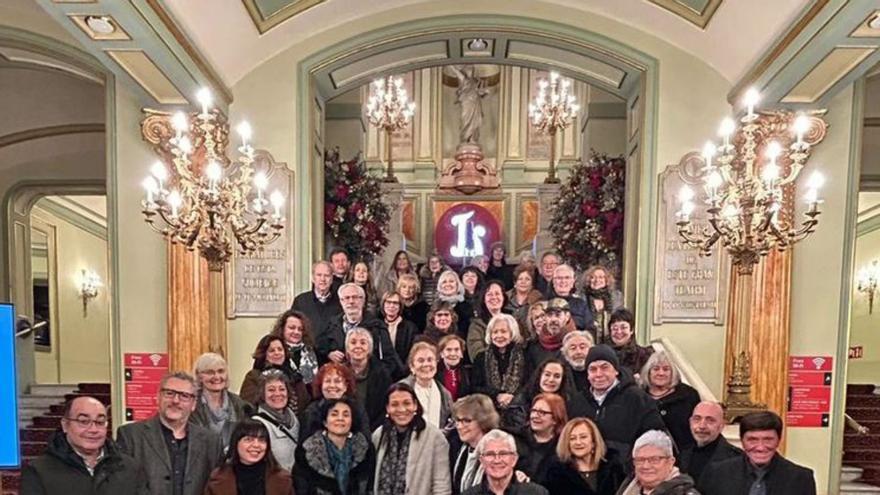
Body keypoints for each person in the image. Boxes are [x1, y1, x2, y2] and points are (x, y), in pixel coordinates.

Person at [117, 372, 222, 495]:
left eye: (184, 396)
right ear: (158, 397)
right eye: (169, 393)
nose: (176, 400)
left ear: (193, 404)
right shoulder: (130, 436)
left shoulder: (211, 441)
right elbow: (122, 486)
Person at [22, 396, 147, 494]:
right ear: (65, 425)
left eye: (100, 422)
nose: (93, 429)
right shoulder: (38, 471)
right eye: (83, 421)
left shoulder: (130, 467)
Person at [567, 345, 665, 467]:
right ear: (587, 374)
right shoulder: (577, 402)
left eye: (604, 368)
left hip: (626, 472)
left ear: (616, 370)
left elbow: (655, 437)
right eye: (593, 369)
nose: (598, 374)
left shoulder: (638, 399)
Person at [698, 411, 816, 495]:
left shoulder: (801, 478)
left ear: (779, 440)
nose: (760, 447)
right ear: (742, 440)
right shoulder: (717, 473)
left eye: (768, 439)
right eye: (752, 440)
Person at [372, 382, 452, 495]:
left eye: (407, 403)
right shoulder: (379, 435)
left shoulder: (434, 437)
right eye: (394, 404)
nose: (402, 409)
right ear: (387, 408)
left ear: (415, 405)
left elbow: (442, 486)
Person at [294, 397, 375, 495]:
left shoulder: (366, 451)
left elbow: (369, 487)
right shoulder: (306, 452)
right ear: (325, 422)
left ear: (352, 421)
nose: (340, 418)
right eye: (334, 414)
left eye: (346, 415)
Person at [319, 283, 401, 377]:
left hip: (370, 381)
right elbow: (320, 348)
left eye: (355, 297)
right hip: (339, 380)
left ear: (362, 300)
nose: (351, 302)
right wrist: (329, 354)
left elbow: (389, 360)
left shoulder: (377, 326)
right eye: (346, 298)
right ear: (341, 301)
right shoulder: (332, 325)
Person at [203, 419, 293, 495]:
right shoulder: (218, 478)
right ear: (236, 443)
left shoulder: (282, 479)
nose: (256, 445)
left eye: (262, 440)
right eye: (248, 440)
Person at [544, 417, 627, 495]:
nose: (578, 442)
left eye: (583, 437)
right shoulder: (556, 474)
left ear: (593, 441)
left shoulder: (613, 470)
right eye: (572, 438)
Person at [639, 351, 700, 452]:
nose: (661, 373)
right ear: (648, 372)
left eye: (666, 369)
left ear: (673, 373)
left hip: (683, 456)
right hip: (645, 455)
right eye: (656, 369)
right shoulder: (638, 396)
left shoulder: (688, 395)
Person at [190, 352, 250, 451]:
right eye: (209, 372)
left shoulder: (240, 404)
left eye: (221, 371)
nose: (217, 377)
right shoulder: (191, 404)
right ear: (199, 376)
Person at [462, 429, 548, 495]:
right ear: (482, 461)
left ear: (514, 459)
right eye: (490, 454)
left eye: (503, 454)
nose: (497, 460)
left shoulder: (536, 493)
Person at [300, 363, 372, 440]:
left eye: (337, 381)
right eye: (327, 381)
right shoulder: (311, 411)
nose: (332, 385)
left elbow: (366, 440)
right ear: (321, 386)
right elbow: (304, 445)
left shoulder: (357, 409)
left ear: (346, 386)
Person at [471, 313, 528, 411]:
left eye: (503, 331)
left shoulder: (525, 355)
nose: (499, 335)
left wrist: (512, 397)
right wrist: (497, 395)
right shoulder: (481, 357)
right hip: (488, 409)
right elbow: (475, 387)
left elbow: (528, 384)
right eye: (495, 332)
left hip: (518, 407)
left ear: (512, 333)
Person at [239, 334, 310, 412]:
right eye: (271, 350)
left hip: (295, 422)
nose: (277, 353)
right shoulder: (254, 377)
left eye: (280, 349)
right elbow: (247, 407)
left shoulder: (296, 378)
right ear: (264, 354)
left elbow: (305, 405)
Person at [678, 402, 741, 486]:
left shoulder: (736, 459)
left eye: (710, 420)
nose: (702, 426)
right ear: (690, 422)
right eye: (697, 419)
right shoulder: (682, 454)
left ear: (721, 425)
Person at [617, 430, 699, 495]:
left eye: (654, 460)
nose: (646, 466)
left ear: (671, 462)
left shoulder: (684, 493)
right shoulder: (626, 488)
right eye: (640, 460)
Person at [450, 394, 501, 494]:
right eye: (458, 420)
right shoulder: (458, 448)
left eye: (466, 421)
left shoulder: (497, 451)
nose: (459, 426)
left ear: (483, 421)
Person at [506, 358, 575, 432]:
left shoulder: (569, 402)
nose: (551, 379)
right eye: (547, 374)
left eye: (557, 376)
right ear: (539, 376)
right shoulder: (520, 403)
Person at [398, 341, 454, 430]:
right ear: (412, 367)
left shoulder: (445, 394)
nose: (426, 364)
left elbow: (450, 424)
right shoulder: (400, 390)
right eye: (421, 360)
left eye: (430, 360)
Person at [513, 393, 567, 485]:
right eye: (533, 411)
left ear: (555, 418)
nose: (535, 416)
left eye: (542, 413)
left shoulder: (563, 446)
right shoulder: (515, 438)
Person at [251, 370, 300, 472]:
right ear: (262, 394)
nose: (277, 394)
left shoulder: (294, 418)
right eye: (271, 390)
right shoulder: (257, 425)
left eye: (282, 389)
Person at [346, 327, 393, 430]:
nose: (358, 346)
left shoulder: (382, 374)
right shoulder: (340, 373)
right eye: (353, 343)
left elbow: (385, 406)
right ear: (347, 349)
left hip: (375, 429)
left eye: (363, 343)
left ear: (369, 348)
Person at [291, 261, 343, 340]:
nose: (323, 279)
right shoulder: (300, 301)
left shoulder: (341, 301)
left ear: (332, 279)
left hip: (333, 350)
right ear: (312, 278)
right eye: (319, 275)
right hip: (307, 349)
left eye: (327, 275)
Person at [271, 309, 319, 387]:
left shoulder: (311, 351)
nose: (296, 332)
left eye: (300, 329)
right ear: (282, 329)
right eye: (292, 328)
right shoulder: (272, 349)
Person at [524, 298, 570, 372]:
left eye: (558, 315)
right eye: (549, 315)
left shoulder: (573, 341)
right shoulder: (532, 347)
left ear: (567, 317)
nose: (553, 319)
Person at [467, 280, 508, 359]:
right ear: (484, 299)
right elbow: (476, 353)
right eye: (489, 294)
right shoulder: (476, 324)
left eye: (497, 294)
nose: (494, 297)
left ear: (503, 297)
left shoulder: (513, 320)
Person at [580, 265, 624, 340]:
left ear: (607, 280)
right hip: (588, 339)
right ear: (588, 280)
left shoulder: (616, 297)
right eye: (593, 277)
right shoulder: (581, 298)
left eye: (601, 277)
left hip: (610, 339)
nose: (597, 280)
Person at [450, 64, 489, 145]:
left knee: (475, 121)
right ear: (465, 71)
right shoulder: (464, 80)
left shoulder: (476, 81)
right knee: (465, 119)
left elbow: (480, 92)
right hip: (466, 102)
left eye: (472, 70)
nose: (470, 71)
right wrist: (451, 65)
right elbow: (457, 72)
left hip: (475, 102)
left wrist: (484, 92)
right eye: (468, 69)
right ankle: (465, 139)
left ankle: (473, 138)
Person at [608, 308, 653, 377]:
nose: (619, 332)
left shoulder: (643, 356)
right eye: (615, 328)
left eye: (623, 328)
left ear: (631, 330)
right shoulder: (604, 354)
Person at [548, 264, 593, 332]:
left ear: (573, 282)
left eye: (567, 278)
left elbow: (590, 328)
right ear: (553, 281)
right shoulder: (545, 302)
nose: (563, 281)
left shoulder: (581, 304)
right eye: (559, 278)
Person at [380, 290, 419, 366]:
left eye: (395, 303)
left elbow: (413, 352)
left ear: (400, 306)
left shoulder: (410, 328)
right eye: (388, 302)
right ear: (383, 305)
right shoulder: (377, 326)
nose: (391, 306)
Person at [437, 270, 476, 341]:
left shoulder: (467, 307)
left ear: (457, 285)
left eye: (451, 281)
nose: (448, 284)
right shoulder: (435, 306)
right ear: (440, 286)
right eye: (444, 282)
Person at [438, 334, 472, 400]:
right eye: (448, 350)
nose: (453, 353)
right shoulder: (435, 372)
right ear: (442, 354)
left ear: (461, 354)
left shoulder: (468, 373)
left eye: (456, 350)